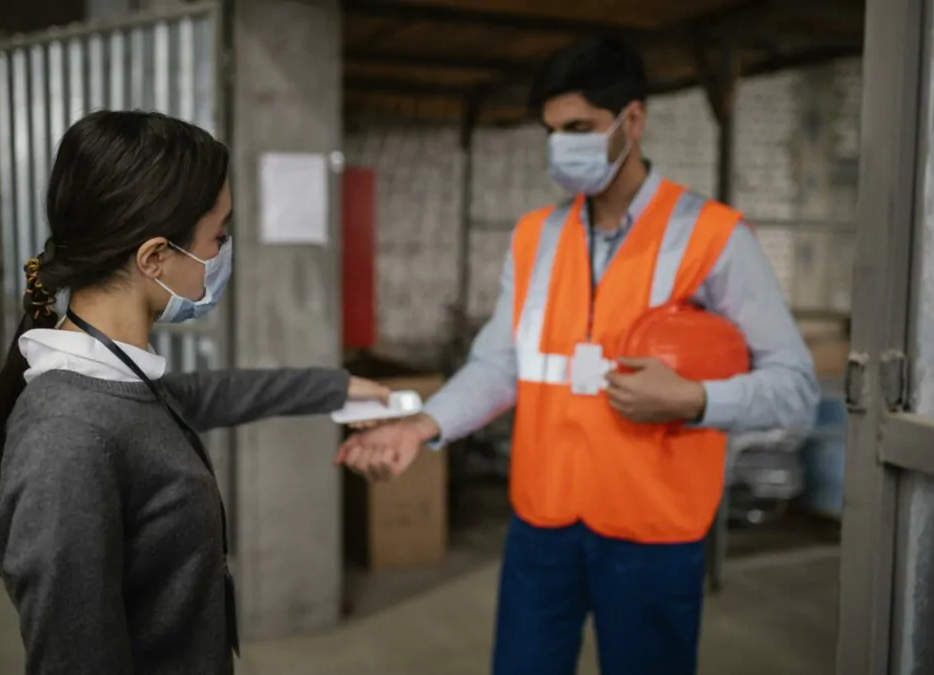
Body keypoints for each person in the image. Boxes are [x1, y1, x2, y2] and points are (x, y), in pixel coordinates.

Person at [336, 38, 820, 675]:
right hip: (544, 527)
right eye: (552, 131)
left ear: (634, 121)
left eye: (579, 128)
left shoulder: (713, 236)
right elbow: (499, 364)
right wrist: (423, 425)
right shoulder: (535, 235)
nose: (561, 145)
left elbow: (795, 391)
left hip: (654, 534)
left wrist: (697, 399)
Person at [0, 110, 388, 675]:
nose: (222, 255)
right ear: (154, 258)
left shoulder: (118, 381)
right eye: (216, 237)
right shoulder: (66, 438)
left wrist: (337, 388)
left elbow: (211, 394)